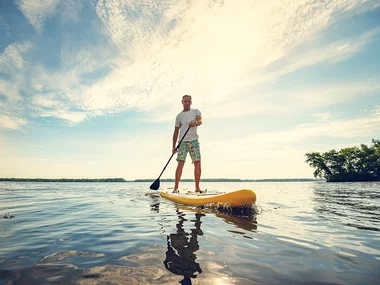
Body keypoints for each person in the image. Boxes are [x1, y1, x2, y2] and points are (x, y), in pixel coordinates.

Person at [172, 95, 203, 193]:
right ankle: (176, 188)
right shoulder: (179, 116)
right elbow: (176, 132)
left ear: (191, 102)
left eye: (189, 101)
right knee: (180, 164)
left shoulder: (195, 111)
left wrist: (195, 122)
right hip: (182, 142)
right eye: (185, 101)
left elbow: (200, 120)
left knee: (197, 163)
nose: (187, 103)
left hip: (194, 141)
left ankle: (197, 187)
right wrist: (173, 147)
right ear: (182, 102)